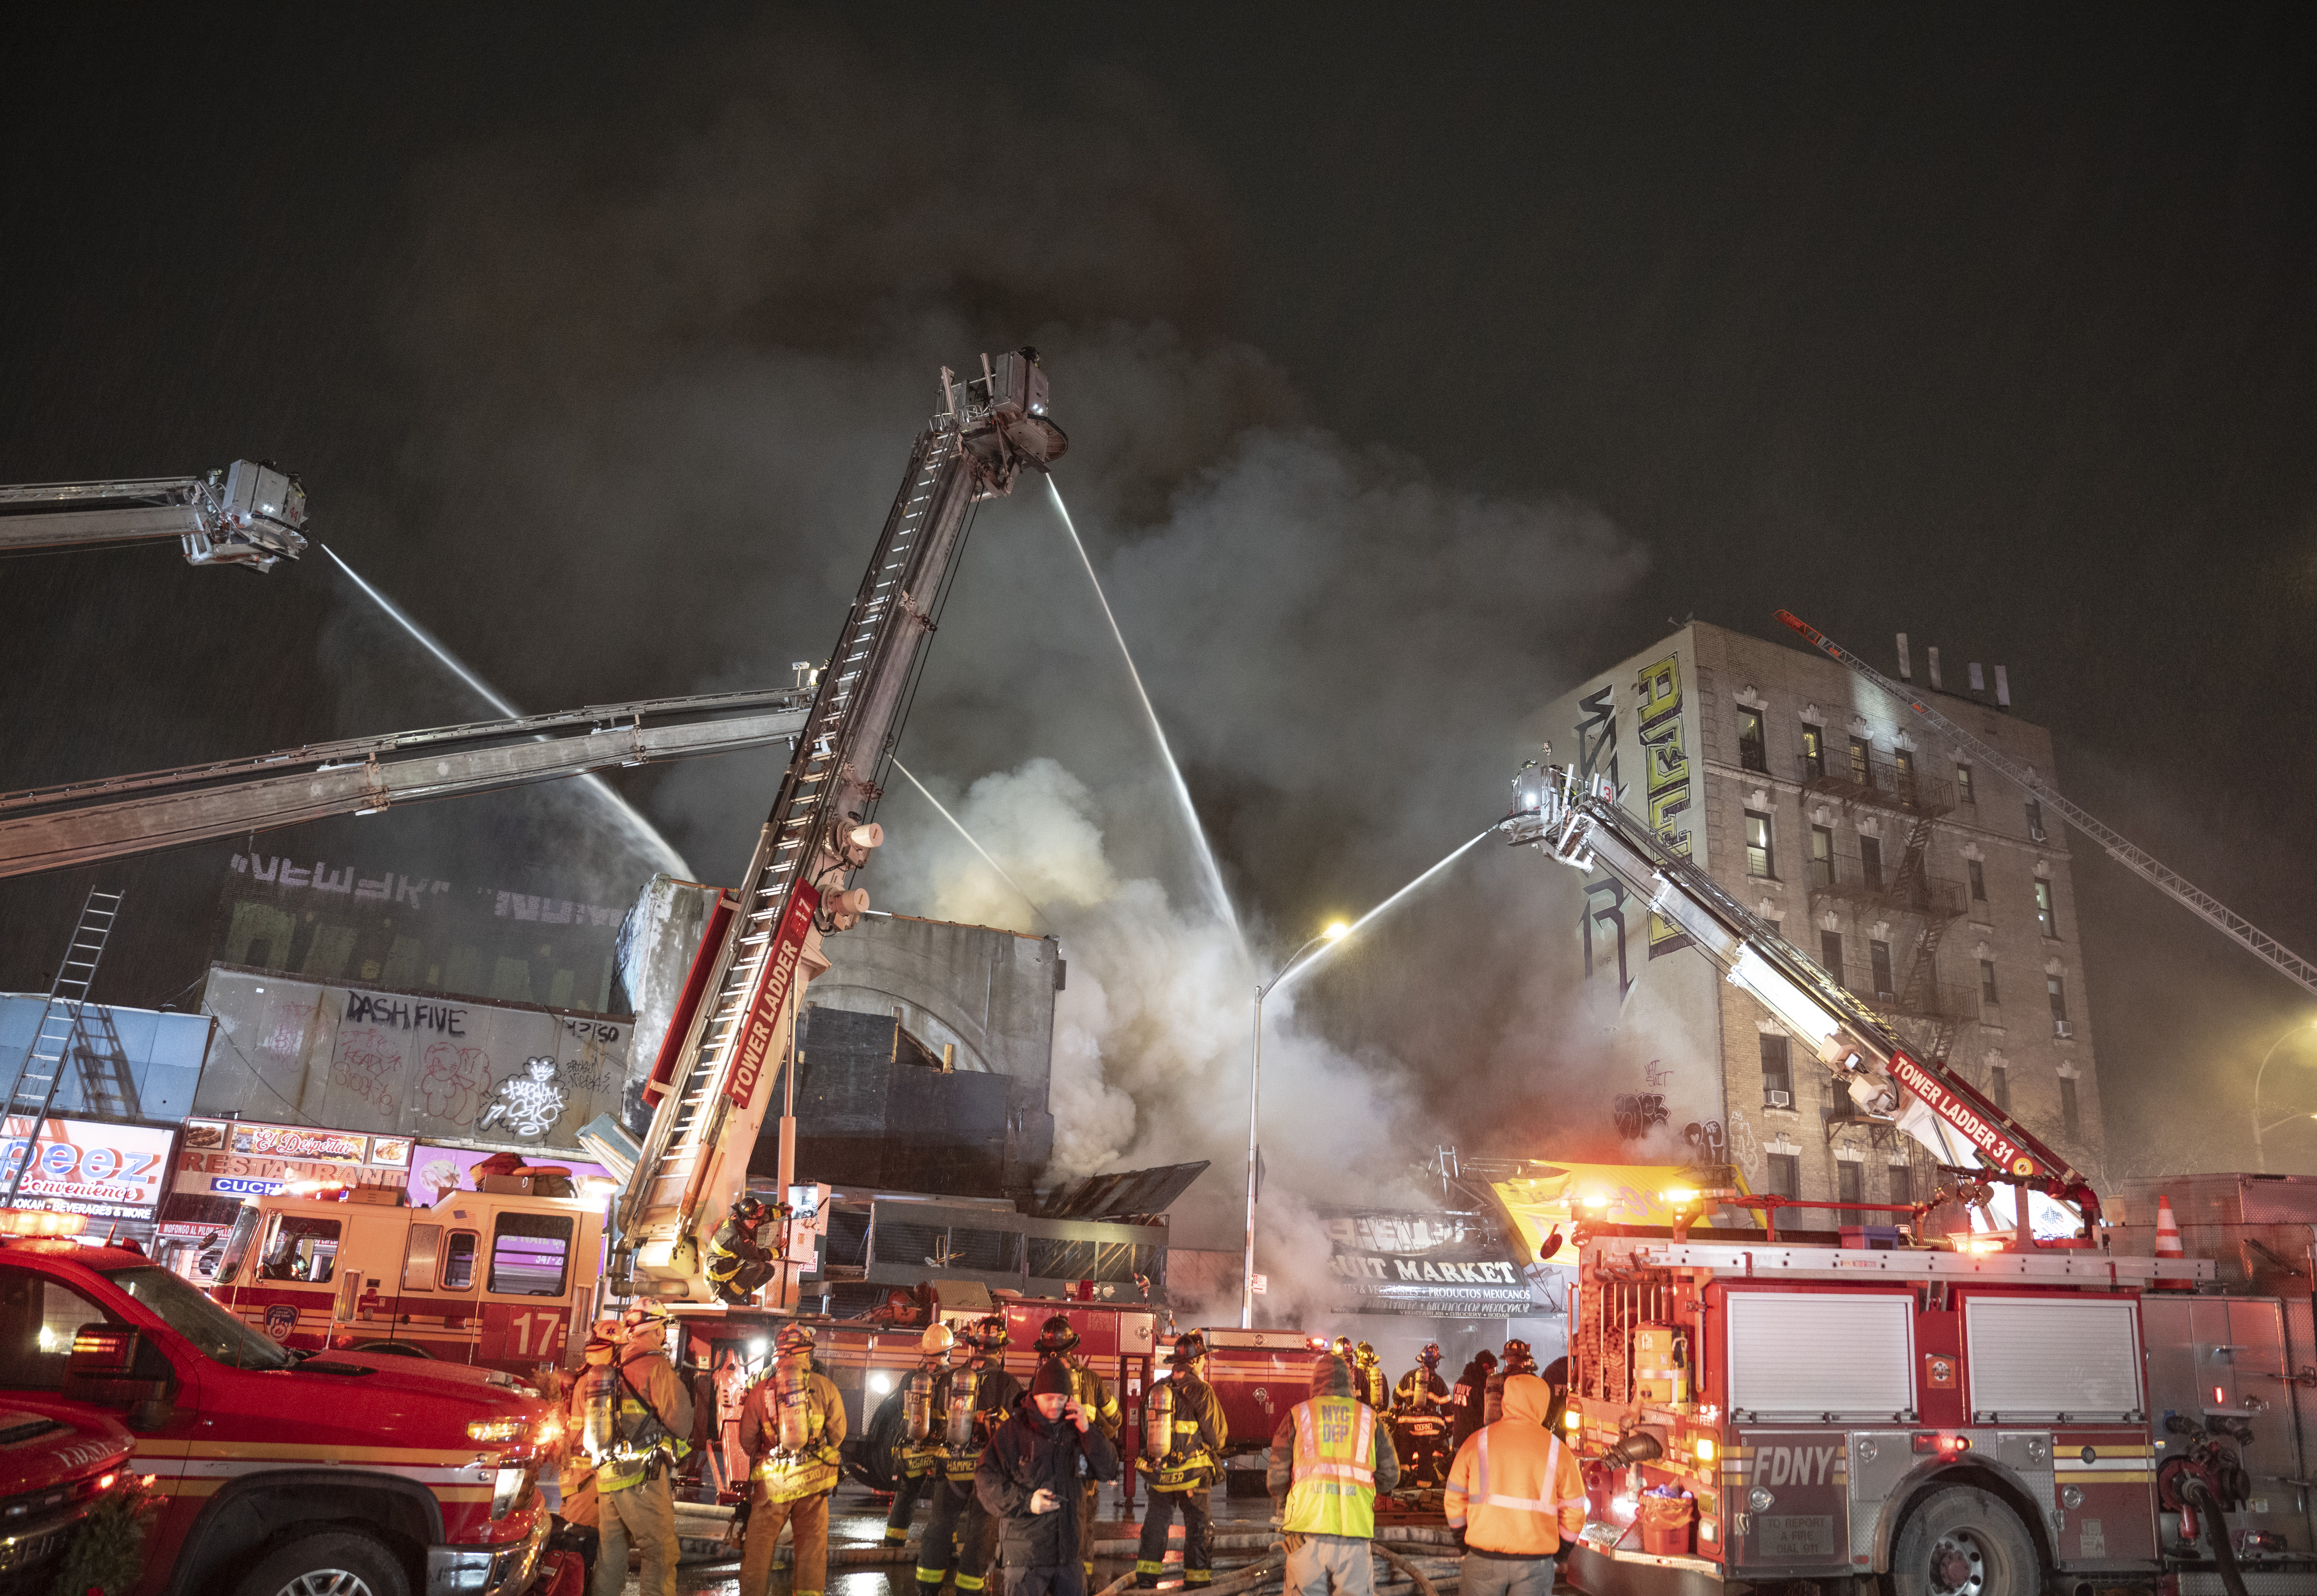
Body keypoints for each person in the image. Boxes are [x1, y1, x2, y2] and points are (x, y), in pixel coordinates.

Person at [975, 1357, 1124, 1596]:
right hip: (1026, 1561)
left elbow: (1108, 1469)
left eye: (1061, 1398)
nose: (1055, 1405)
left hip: (1069, 1559)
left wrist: (1088, 1431)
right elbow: (985, 1480)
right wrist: (1028, 1502)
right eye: (1048, 1398)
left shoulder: (1078, 1431)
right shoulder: (1014, 1431)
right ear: (1034, 1397)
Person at [575, 1302, 694, 1596]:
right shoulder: (656, 1367)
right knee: (661, 1553)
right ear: (656, 1327)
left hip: (608, 1476)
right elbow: (681, 1423)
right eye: (664, 1326)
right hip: (643, 1478)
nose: (666, 1333)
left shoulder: (614, 1366)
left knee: (611, 1554)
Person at [1443, 1371, 1587, 1596]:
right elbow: (1575, 1510)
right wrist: (1559, 1555)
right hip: (1535, 1565)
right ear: (1542, 1403)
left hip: (1483, 1559)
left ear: (1505, 1399)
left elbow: (1453, 1499)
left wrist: (1463, 1545)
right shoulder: (1558, 1451)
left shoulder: (1477, 1442)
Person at [1268, 1352, 1400, 1596]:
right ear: (1350, 1384)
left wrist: (1283, 1509)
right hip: (1355, 1535)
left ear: (1314, 1383)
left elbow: (1276, 1478)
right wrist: (1363, 1489)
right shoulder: (1370, 1419)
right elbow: (1391, 1477)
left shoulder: (1299, 1415)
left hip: (1305, 1534)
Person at [735, 1326, 848, 1596]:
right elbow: (838, 1435)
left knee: (759, 1548)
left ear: (778, 1355)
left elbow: (747, 1442)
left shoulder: (760, 1391)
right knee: (811, 1547)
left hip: (773, 1484)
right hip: (814, 1482)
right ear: (808, 1354)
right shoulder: (825, 1387)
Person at [919, 1315, 1023, 1595]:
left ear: (973, 1346)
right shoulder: (1007, 1384)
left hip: (949, 1462)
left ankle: (927, 1587)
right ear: (1001, 1350)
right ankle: (968, 1589)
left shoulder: (949, 1378)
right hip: (986, 1469)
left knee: (941, 1524)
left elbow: (934, 1422)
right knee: (981, 1531)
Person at [1033, 1313, 1122, 1582]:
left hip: (1048, 1473)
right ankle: (1081, 1584)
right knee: (1083, 1531)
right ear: (1073, 1349)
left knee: (1048, 1530)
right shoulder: (1093, 1380)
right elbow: (1116, 1419)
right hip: (1085, 1475)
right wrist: (1095, 1433)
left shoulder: (1041, 1381)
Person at [1136, 1333, 1226, 1590]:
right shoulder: (1201, 1390)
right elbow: (1217, 1437)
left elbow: (1145, 1431)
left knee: (1155, 1525)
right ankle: (1197, 1583)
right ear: (1197, 1362)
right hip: (1193, 1476)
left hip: (1160, 1475)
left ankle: (1145, 1579)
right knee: (1198, 1528)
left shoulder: (1157, 1390)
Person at [887, 1323, 958, 1547]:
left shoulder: (910, 1378)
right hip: (942, 1447)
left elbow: (900, 1407)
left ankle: (893, 1542)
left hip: (912, 1445)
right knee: (943, 1500)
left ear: (925, 1352)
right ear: (948, 1353)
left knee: (906, 1494)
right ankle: (943, 1546)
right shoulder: (955, 1379)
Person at [707, 1193, 780, 1306]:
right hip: (719, 1271)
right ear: (745, 1217)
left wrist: (782, 1210)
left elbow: (759, 1219)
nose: (756, 1223)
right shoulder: (738, 1237)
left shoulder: (739, 1218)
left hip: (723, 1263)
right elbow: (755, 1256)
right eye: (753, 1221)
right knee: (757, 1265)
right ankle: (729, 1295)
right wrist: (778, 1252)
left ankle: (741, 1294)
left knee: (768, 1270)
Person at [1448, 1350, 1496, 1454]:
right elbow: (1486, 1415)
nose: (1494, 1373)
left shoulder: (1460, 1381)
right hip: (1473, 1443)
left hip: (1458, 1441)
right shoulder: (1481, 1386)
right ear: (1486, 1367)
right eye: (1494, 1370)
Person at [1393, 1344, 1450, 1414]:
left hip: (1408, 1421)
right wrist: (1450, 1425)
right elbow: (1448, 1408)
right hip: (1430, 1422)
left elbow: (1397, 1398)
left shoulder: (1409, 1376)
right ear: (1436, 1362)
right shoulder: (1438, 1381)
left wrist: (1396, 1415)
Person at [1352, 1343, 1388, 1412]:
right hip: (1377, 1414)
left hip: (1361, 1413)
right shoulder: (1381, 1375)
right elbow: (1386, 1396)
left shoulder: (1356, 1375)